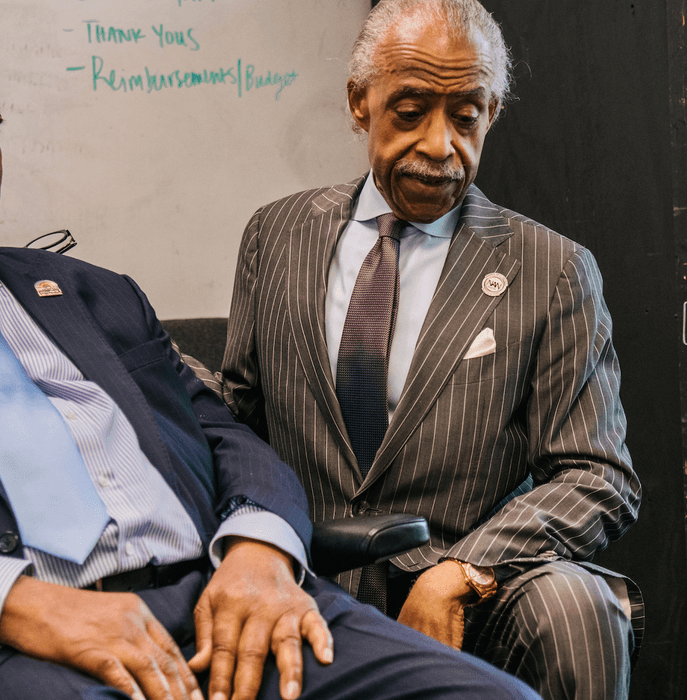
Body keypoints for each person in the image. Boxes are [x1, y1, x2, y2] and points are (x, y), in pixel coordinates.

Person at [0, 12, 539, 700]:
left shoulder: (87, 293)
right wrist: (14, 604)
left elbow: (222, 436)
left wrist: (261, 554)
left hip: (219, 610)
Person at [202, 1, 642, 699]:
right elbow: (236, 413)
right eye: (410, 110)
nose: (440, 145)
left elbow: (596, 476)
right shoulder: (275, 235)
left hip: (469, 592)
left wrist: (462, 571)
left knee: (575, 607)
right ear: (359, 102)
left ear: (490, 113)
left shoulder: (550, 269)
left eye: (465, 116)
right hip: (303, 575)